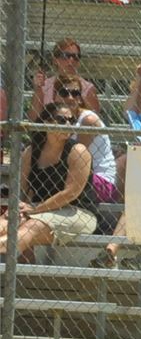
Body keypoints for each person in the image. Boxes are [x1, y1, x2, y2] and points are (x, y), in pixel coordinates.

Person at [8, 101, 96, 263]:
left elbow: (71, 193)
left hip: (76, 211)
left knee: (31, 227)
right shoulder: (31, 151)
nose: (68, 124)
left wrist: (35, 210)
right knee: (5, 223)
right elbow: (24, 189)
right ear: (47, 122)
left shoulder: (78, 151)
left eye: (72, 120)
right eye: (62, 120)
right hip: (38, 209)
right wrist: (20, 207)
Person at [49, 79, 117, 204]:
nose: (70, 98)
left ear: (80, 98)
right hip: (73, 174)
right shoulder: (53, 117)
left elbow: (77, 158)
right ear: (55, 96)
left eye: (75, 93)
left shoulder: (88, 120)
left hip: (100, 181)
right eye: (64, 92)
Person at [37, 39, 101, 114]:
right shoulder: (45, 85)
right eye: (65, 56)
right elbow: (33, 119)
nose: (71, 60)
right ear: (55, 60)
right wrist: (38, 88)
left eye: (76, 56)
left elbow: (93, 121)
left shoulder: (88, 88)